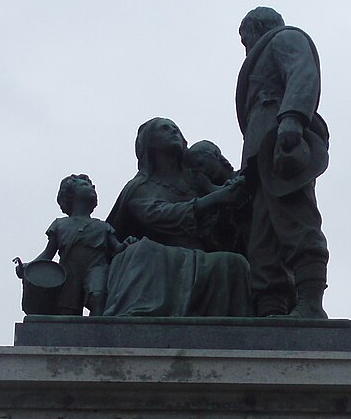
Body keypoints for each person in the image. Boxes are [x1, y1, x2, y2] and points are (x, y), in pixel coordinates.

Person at [102, 118, 252, 317]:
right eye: (164, 129)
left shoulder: (197, 179)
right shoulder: (140, 186)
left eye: (176, 129)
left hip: (203, 253)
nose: (173, 131)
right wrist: (214, 199)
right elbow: (157, 215)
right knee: (145, 252)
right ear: (149, 143)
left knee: (235, 263)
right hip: (160, 250)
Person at [236, 6, 331, 318]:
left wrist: (292, 118)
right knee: (262, 239)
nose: (245, 46)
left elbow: (302, 73)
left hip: (281, 146)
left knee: (295, 220)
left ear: (256, 28)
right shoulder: (262, 54)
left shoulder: (284, 38)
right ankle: (270, 309)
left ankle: (311, 306)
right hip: (260, 156)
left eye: (245, 37)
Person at [25, 174, 124, 316]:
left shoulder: (103, 226)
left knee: (98, 297)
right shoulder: (60, 225)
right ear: (70, 195)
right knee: (68, 309)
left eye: (92, 185)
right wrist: (29, 267)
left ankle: (99, 333)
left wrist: (128, 245)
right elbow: (48, 254)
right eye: (85, 185)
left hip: (96, 268)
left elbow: (117, 249)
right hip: (69, 272)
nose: (92, 188)